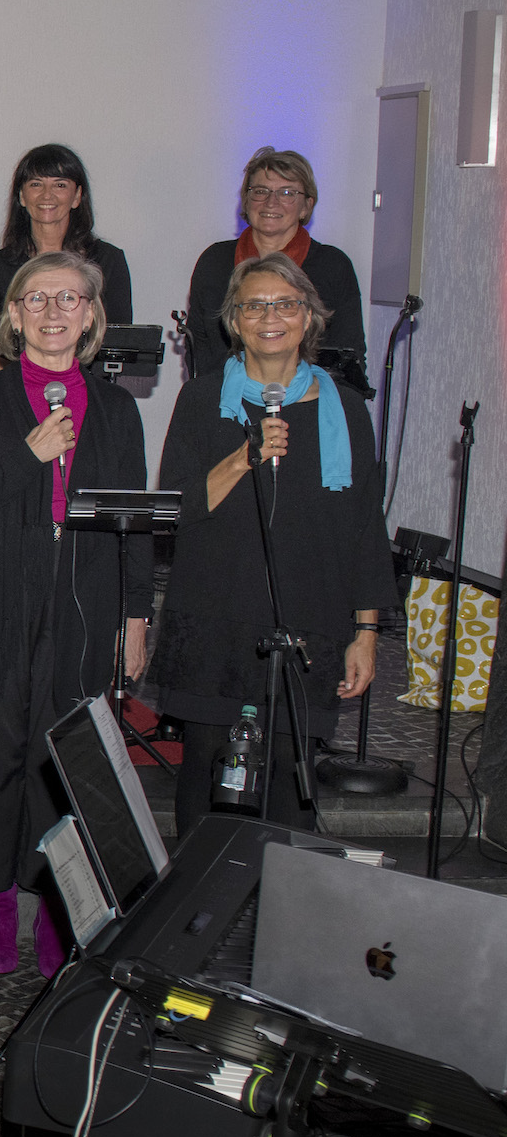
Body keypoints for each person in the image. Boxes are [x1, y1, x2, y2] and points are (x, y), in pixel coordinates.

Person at [0, 252, 151, 977]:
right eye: (38, 298)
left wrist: (137, 617)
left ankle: (60, 910)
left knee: (65, 758)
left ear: (91, 314)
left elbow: (135, 523)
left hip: (80, 596)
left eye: (70, 298)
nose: (54, 311)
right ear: (16, 313)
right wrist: (30, 453)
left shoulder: (117, 409)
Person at [150, 252, 393, 832]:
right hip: (216, 619)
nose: (270, 316)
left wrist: (366, 632)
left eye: (285, 304)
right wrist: (242, 458)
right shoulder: (203, 399)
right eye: (254, 305)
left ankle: (277, 918)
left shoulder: (348, 411)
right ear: (235, 320)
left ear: (308, 318)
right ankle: (199, 919)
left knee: (289, 790)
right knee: (206, 793)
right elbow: (176, 509)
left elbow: (363, 527)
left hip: (309, 622)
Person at [180, 147, 368, 393]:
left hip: (309, 403)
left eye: (287, 193)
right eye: (260, 191)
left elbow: (349, 356)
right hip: (226, 401)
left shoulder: (333, 266)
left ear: (306, 206)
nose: (271, 202)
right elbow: (199, 347)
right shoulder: (214, 261)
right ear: (246, 201)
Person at [0, 144, 132, 372]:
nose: (46, 195)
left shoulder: (108, 260)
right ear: (22, 196)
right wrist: (20, 377)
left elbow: (120, 347)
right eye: (36, 184)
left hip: (88, 393)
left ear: (77, 197)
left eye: (60, 185)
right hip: (17, 396)